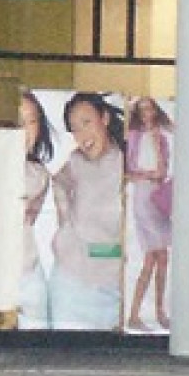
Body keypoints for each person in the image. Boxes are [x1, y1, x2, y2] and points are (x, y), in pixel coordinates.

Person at [48, 92, 127, 331]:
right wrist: (66, 228)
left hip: (116, 288)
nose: (82, 136)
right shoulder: (75, 162)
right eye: (75, 129)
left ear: (104, 118)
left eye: (86, 123)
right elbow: (56, 184)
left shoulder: (129, 164)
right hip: (72, 285)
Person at [124, 96, 174, 334]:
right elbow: (128, 172)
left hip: (157, 197)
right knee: (152, 256)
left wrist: (156, 143)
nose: (146, 113)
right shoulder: (133, 136)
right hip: (143, 196)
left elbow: (163, 171)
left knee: (162, 257)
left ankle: (158, 312)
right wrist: (146, 175)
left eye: (150, 108)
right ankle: (136, 314)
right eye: (142, 109)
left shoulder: (161, 138)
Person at [17, 91, 55, 331]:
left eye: (32, 121)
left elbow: (30, 217)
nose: (25, 130)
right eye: (18, 121)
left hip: (28, 274)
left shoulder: (39, 175)